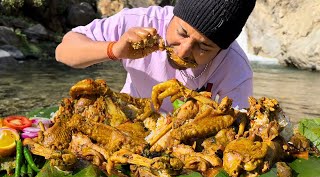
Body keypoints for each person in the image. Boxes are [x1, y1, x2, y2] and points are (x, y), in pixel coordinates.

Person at [55, 0, 257, 112]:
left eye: (203, 46)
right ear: (174, 16)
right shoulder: (140, 23)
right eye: (182, 33)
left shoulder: (235, 67)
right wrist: (115, 50)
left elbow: (240, 123)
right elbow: (63, 52)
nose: (183, 51)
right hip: (129, 118)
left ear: (222, 49)